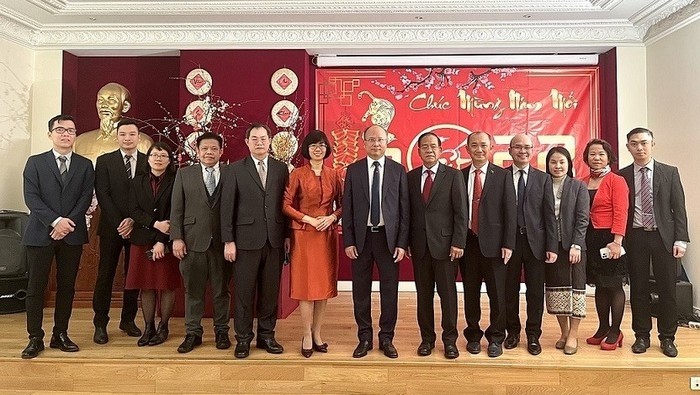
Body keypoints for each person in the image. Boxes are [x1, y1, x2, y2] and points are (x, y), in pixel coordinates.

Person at [21, 114, 95, 359]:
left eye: (71, 131)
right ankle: (35, 337)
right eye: (60, 130)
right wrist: (55, 221)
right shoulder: (35, 162)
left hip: (71, 235)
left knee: (67, 287)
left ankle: (60, 334)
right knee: (36, 287)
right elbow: (31, 197)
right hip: (40, 233)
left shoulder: (85, 165)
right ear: (50, 134)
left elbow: (85, 198)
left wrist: (67, 224)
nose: (66, 134)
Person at [221, 123, 290, 359]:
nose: (259, 142)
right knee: (244, 292)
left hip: (274, 239)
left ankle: (267, 335)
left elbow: (285, 206)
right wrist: (228, 240)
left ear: (270, 141)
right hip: (245, 241)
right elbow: (226, 207)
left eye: (263, 138)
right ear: (247, 142)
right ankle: (242, 339)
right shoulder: (235, 170)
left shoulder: (282, 169)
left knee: (270, 292)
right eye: (255, 139)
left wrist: (288, 236)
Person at [620, 127, 689, 358]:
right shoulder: (622, 175)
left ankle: (668, 337)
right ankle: (641, 335)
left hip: (664, 238)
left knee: (667, 289)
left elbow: (678, 209)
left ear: (652, 144)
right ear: (628, 146)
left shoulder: (669, 172)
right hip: (636, 237)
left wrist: (681, 239)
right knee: (638, 288)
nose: (639, 147)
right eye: (634, 143)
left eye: (644, 143)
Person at [342, 124, 409, 359]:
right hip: (361, 240)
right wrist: (348, 240)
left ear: (387, 141)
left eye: (380, 139)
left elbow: (404, 210)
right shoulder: (354, 170)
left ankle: (387, 338)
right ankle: (365, 337)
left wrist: (402, 243)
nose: (376, 144)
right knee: (361, 291)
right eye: (371, 140)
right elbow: (347, 208)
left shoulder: (398, 170)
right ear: (364, 142)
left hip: (388, 240)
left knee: (389, 291)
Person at [282, 130, 343, 358]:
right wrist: (306, 219)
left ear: (327, 149)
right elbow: (286, 204)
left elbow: (343, 204)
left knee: (323, 287)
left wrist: (332, 218)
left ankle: (318, 333)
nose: (318, 149)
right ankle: (306, 333)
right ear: (306, 150)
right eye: (313, 146)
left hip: (326, 234)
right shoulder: (297, 174)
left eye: (322, 145)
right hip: (304, 234)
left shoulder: (334, 174)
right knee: (306, 287)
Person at [407, 132, 467, 359]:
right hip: (420, 247)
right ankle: (427, 340)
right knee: (423, 296)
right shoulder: (411, 177)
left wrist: (458, 242)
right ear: (419, 151)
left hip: (446, 247)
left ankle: (450, 341)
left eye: (433, 146)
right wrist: (407, 243)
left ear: (441, 150)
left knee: (448, 296)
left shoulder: (452, 176)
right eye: (425, 147)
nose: (429, 150)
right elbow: (408, 213)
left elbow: (462, 212)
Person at [170, 132, 231, 353]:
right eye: (204, 148)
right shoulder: (184, 174)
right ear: (197, 151)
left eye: (214, 148)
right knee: (193, 291)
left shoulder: (230, 173)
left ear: (221, 151)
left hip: (222, 243)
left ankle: (222, 331)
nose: (209, 152)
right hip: (192, 241)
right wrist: (176, 237)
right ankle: (193, 333)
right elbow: (176, 208)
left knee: (221, 291)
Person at [460, 131, 516, 358]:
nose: (479, 149)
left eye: (484, 145)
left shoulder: (502, 176)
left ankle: (496, 337)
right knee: (470, 293)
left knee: (497, 295)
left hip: (495, 246)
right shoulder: (459, 175)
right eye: (474, 145)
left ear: (491, 147)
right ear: (467, 148)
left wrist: (508, 244)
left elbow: (510, 212)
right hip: (467, 244)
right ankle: (473, 335)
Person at [92, 118, 148, 344]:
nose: (127, 138)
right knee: (105, 276)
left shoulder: (147, 161)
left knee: (132, 276)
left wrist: (133, 220)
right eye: (123, 134)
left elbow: (148, 195)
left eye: (132, 134)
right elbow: (102, 194)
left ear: (138, 137)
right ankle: (100, 323)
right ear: (117, 136)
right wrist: (120, 223)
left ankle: (128, 320)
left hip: (138, 227)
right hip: (111, 228)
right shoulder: (104, 161)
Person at [504, 134, 558, 356]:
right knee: (509, 290)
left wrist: (552, 246)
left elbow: (549, 215)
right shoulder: (501, 176)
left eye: (527, 147)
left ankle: (533, 334)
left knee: (535, 292)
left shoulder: (543, 178)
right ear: (510, 150)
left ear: (533, 150)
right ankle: (513, 332)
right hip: (509, 242)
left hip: (536, 243)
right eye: (518, 147)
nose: (523, 151)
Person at [125, 142, 181, 347]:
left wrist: (161, 241)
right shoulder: (137, 181)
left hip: (167, 241)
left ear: (169, 160)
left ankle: (163, 326)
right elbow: (134, 209)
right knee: (146, 286)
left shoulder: (177, 180)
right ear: (147, 159)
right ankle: (148, 327)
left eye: (163, 155)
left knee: (166, 285)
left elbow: (176, 211)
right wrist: (154, 224)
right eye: (154, 155)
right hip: (141, 239)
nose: (158, 158)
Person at [582, 139, 629, 351]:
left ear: (609, 157)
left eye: (601, 154)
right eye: (592, 154)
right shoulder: (581, 182)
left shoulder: (616, 181)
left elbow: (621, 212)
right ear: (586, 157)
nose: (597, 158)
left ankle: (615, 331)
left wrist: (617, 241)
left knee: (613, 285)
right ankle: (603, 327)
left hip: (610, 238)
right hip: (590, 239)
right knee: (600, 285)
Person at [543, 147, 590, 355]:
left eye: (562, 162)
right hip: (552, 248)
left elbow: (582, 219)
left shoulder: (578, 187)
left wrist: (576, 244)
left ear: (569, 164)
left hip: (575, 248)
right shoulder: (542, 185)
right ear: (548, 164)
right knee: (556, 291)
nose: (558, 166)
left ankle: (573, 334)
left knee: (576, 291)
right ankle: (563, 332)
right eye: (553, 162)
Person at [74, 82, 153, 164]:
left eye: (111, 100)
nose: (104, 105)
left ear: (125, 106)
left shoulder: (143, 142)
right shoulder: (80, 141)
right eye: (100, 100)